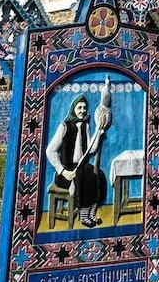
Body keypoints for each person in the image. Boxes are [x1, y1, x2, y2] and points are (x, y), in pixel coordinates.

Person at [46, 83, 112, 228]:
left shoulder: (85, 126)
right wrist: (63, 171)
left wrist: (98, 133)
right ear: (73, 109)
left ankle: (91, 213)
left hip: (81, 167)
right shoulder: (64, 127)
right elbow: (50, 151)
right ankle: (83, 216)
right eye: (79, 108)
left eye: (84, 108)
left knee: (99, 176)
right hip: (66, 172)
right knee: (85, 176)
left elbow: (90, 150)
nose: (82, 111)